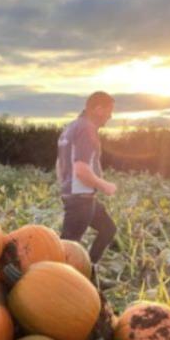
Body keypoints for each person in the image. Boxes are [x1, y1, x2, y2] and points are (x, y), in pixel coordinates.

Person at [56, 91, 118, 268]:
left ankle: (90, 272)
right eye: (109, 111)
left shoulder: (71, 127)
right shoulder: (86, 129)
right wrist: (105, 185)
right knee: (67, 249)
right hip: (80, 198)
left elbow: (59, 163)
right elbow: (81, 169)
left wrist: (65, 186)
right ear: (98, 109)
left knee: (108, 229)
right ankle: (52, 282)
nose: (110, 116)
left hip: (80, 195)